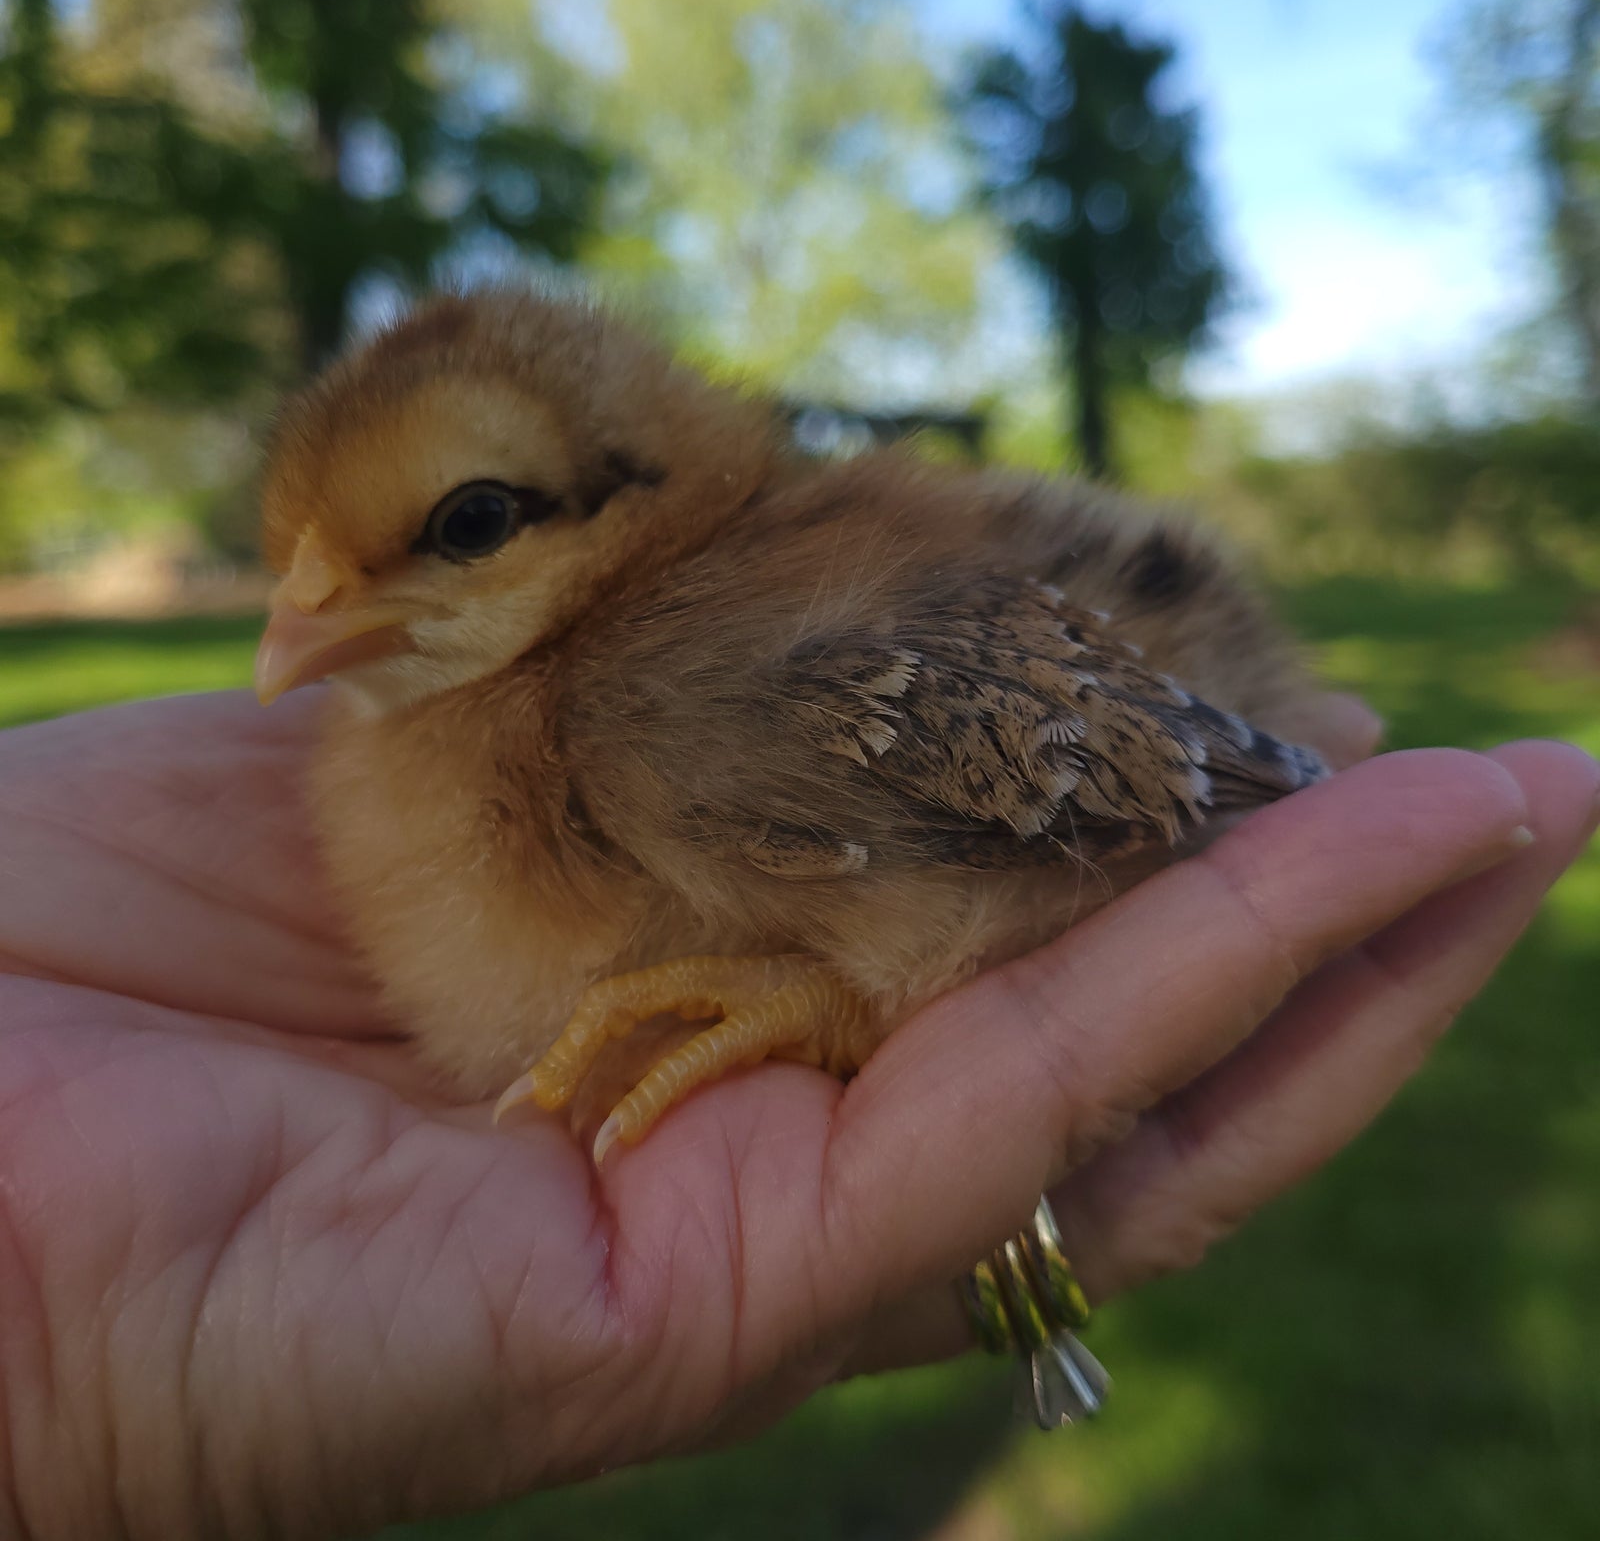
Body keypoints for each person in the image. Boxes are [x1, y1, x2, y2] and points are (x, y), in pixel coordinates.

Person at [0, 687, 1593, 1540]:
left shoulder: (701, 681)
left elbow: (1055, 825)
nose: (302, 622)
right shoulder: (434, 729)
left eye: (467, 523)